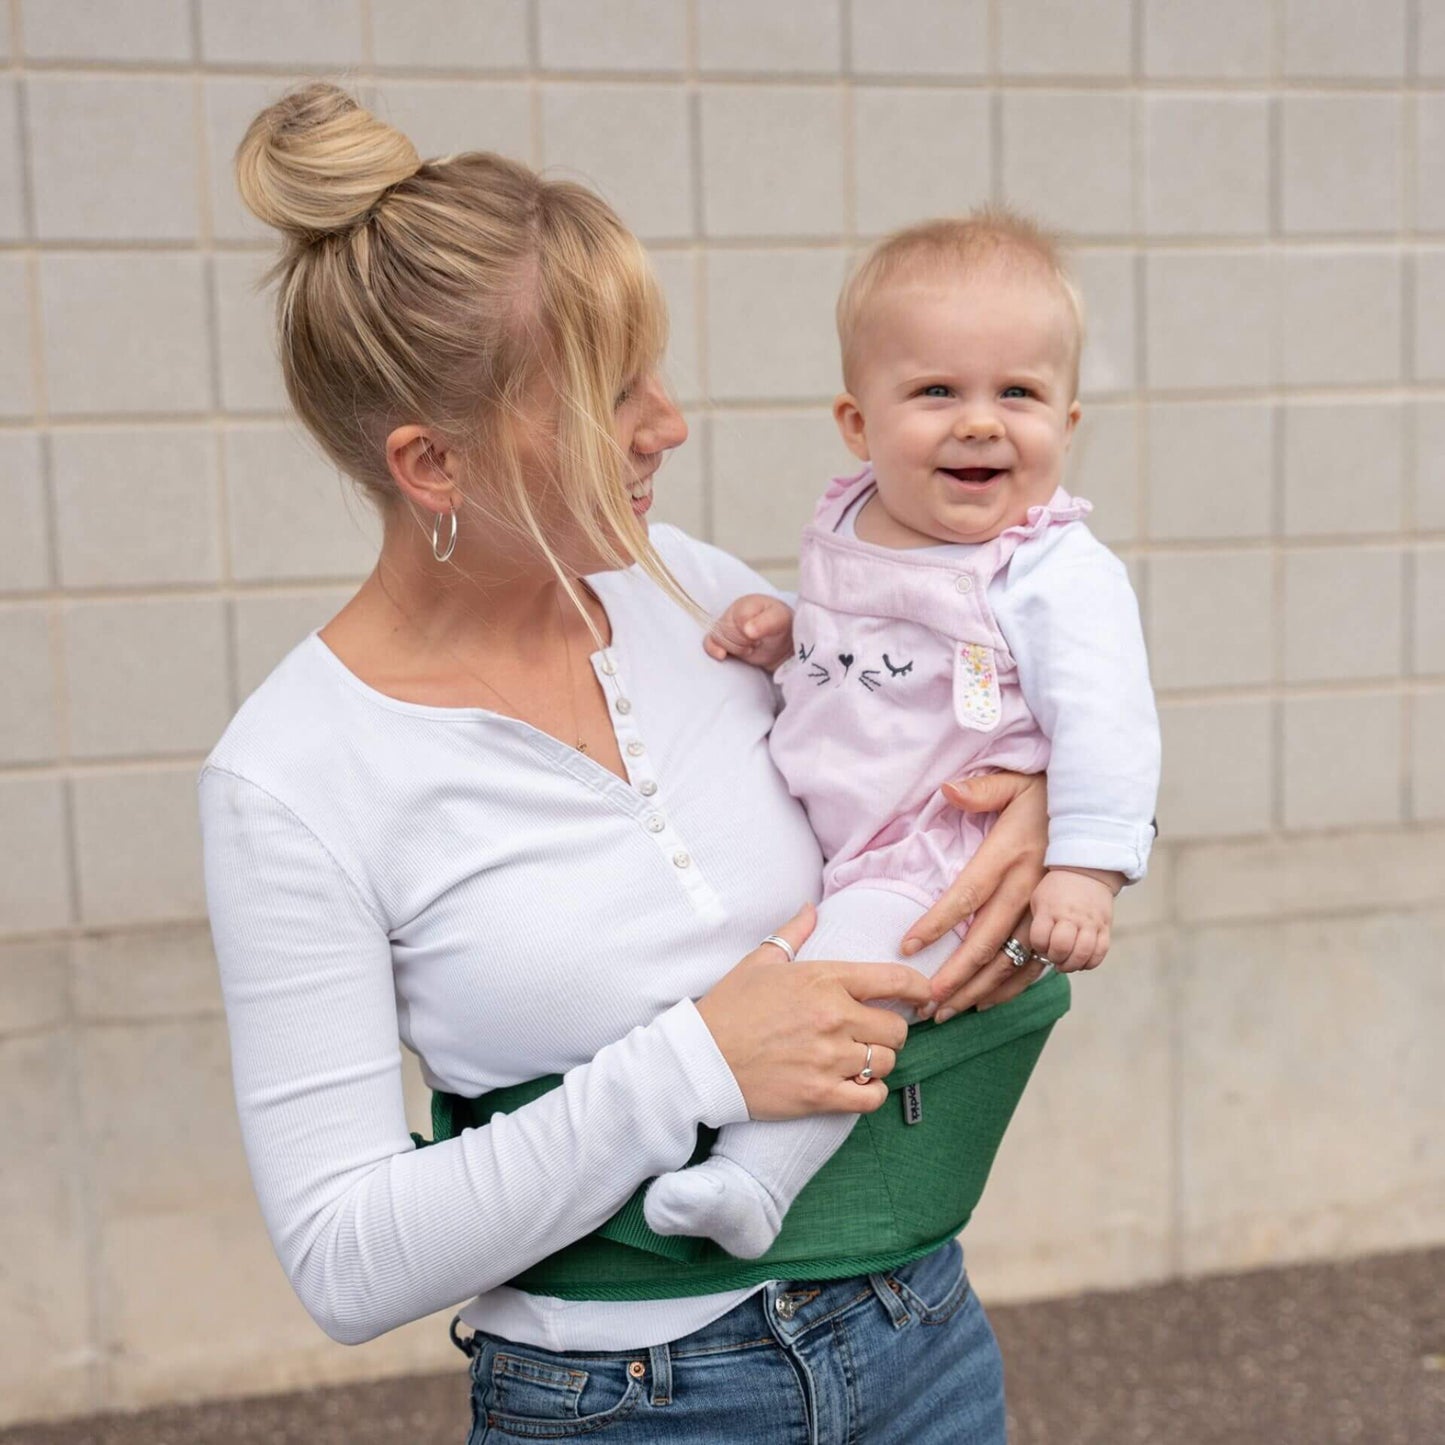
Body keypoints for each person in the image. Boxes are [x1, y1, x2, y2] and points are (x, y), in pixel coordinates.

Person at [201, 85, 1058, 1444]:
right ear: (432, 463)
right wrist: (697, 1061)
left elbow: (918, 771)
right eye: (610, 397)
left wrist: (1027, 809)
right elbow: (345, 1257)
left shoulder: (696, 597)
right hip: (628, 1406)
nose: (668, 423)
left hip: (916, 1334)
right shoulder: (296, 776)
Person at [643, 213, 1160, 1260]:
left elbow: (1107, 720)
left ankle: (755, 1178)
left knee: (846, 991)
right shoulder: (851, 519)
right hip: (837, 823)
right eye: (936, 392)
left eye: (1015, 393)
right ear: (855, 421)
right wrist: (790, 631)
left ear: (1066, 416)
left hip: (930, 845)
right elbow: (874, 654)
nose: (979, 423)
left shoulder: (1050, 569)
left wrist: (1085, 871)